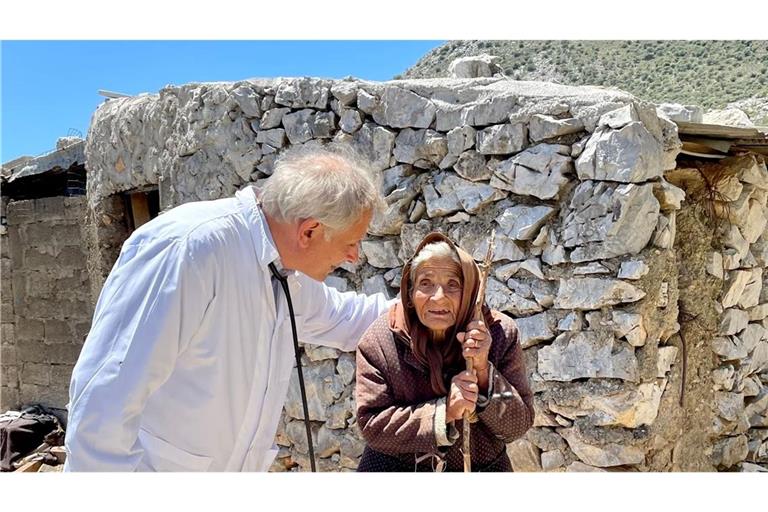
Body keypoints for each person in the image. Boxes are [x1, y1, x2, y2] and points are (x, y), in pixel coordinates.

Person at [65, 145, 395, 471]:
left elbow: (349, 318)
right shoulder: (190, 249)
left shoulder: (284, 269)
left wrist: (436, 309)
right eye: (351, 243)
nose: (354, 257)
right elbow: (105, 398)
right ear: (309, 231)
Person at [355, 232, 534, 471]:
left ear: (470, 293)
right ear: (409, 294)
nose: (438, 298)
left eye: (453, 285)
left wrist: (482, 371)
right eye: (425, 283)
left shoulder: (499, 334)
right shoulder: (381, 341)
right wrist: (444, 412)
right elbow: (373, 426)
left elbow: (517, 426)